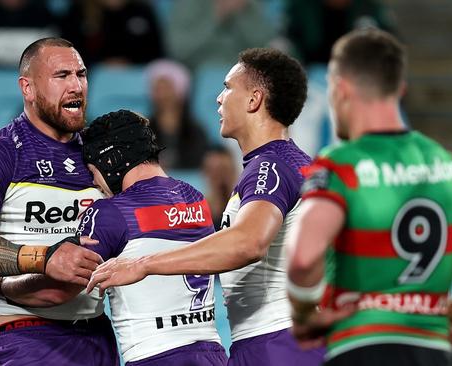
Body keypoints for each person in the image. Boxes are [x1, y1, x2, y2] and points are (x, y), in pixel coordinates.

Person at [87, 48, 325, 365]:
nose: (218, 98)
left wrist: (143, 264)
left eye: (228, 88)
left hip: (277, 343)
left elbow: (248, 242)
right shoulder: (291, 162)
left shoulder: (272, 166)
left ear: (254, 100)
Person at [285, 29, 452, 366]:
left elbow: (302, 258)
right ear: (400, 90)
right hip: (435, 351)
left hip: (361, 346)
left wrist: (303, 313)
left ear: (340, 88)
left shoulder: (341, 166)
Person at [0, 37, 118, 365]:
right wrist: (44, 259)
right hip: (25, 337)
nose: (76, 85)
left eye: (81, 75)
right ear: (27, 88)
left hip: (97, 335)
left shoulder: (100, 155)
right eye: (62, 76)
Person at [80, 109, 227, 365]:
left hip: (154, 357)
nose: (95, 183)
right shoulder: (196, 199)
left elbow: (67, 285)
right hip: (213, 354)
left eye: (94, 172)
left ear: (111, 161)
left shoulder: (110, 211)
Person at [147, 59, 209, 169]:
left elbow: (200, 165)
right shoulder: (142, 130)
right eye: (157, 89)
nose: (161, 95)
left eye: (167, 88)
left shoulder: (196, 131)